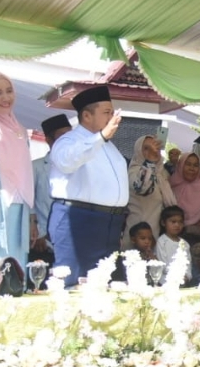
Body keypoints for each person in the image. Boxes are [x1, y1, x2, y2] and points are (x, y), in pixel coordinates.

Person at [49, 86, 128, 286]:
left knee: (104, 284)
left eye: (113, 112)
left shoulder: (110, 146)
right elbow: (67, 161)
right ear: (86, 115)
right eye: (106, 112)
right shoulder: (68, 140)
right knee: (72, 283)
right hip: (78, 220)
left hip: (109, 224)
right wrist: (100, 137)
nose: (112, 118)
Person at [0, 71, 34, 278]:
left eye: (9, 91)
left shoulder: (18, 129)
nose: (5, 97)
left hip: (19, 206)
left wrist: (32, 216)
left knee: (15, 270)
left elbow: (25, 173)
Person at [29, 114, 72, 268]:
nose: (68, 140)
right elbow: (29, 201)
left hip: (71, 237)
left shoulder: (80, 166)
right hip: (43, 241)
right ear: (49, 140)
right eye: (62, 136)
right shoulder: (36, 166)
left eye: (70, 135)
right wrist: (38, 233)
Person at [124, 135, 177, 248]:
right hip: (136, 236)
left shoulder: (161, 174)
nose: (153, 151)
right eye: (146, 148)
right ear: (138, 151)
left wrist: (174, 163)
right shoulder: (135, 171)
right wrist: (149, 162)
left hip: (154, 235)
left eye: (155, 147)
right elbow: (142, 187)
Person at [169, 152, 200, 240]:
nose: (192, 168)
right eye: (188, 164)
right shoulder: (171, 185)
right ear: (181, 165)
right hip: (172, 237)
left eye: (195, 165)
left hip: (197, 238)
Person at [155, 205, 191, 283]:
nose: (177, 225)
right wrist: (177, 275)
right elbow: (162, 264)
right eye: (173, 222)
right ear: (163, 223)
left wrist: (187, 276)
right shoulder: (161, 242)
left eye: (180, 222)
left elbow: (188, 264)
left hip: (182, 282)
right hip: (165, 282)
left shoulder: (185, 244)